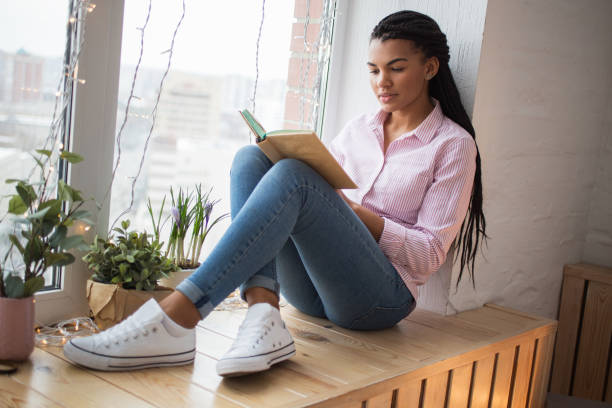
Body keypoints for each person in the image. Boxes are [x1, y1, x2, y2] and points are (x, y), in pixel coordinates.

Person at [63, 10, 487, 377]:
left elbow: (429, 254)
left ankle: (176, 318)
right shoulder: (361, 128)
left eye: (396, 68)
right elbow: (321, 194)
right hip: (313, 292)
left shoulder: (452, 145)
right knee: (252, 159)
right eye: (374, 70)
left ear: (430, 68)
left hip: (379, 301)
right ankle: (264, 314)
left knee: (295, 178)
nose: (382, 82)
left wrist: (357, 215)